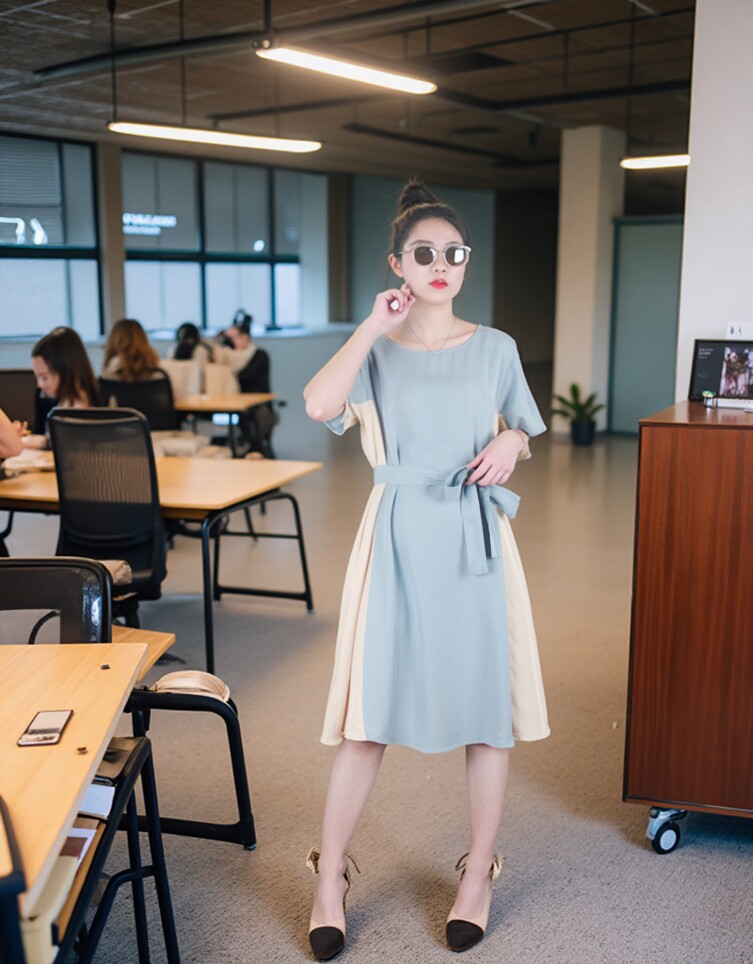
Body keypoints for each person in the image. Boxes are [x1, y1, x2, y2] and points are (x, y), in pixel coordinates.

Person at [302, 180, 549, 960]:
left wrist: (512, 440)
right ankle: (329, 876)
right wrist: (371, 325)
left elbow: (522, 427)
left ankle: (478, 871)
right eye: (424, 253)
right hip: (398, 536)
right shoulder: (374, 348)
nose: (441, 265)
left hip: (475, 539)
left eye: (453, 253)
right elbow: (318, 406)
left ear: (465, 261)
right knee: (367, 719)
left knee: (485, 716)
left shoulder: (496, 347)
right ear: (397, 264)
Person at [24, 327, 101, 448]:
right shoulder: (62, 401)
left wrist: (25, 441)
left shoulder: (79, 407)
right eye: (37, 377)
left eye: (44, 377)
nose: (39, 385)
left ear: (65, 371)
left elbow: (62, 443)